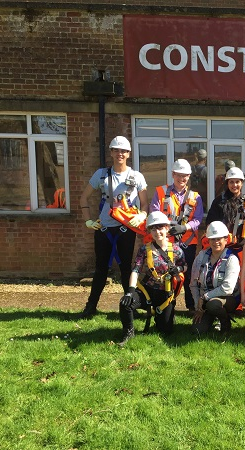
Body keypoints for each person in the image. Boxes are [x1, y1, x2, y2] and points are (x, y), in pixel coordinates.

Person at [79, 136, 148, 319]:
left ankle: (130, 307)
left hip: (126, 228)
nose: (120, 154)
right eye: (116, 150)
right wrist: (88, 221)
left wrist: (142, 215)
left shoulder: (137, 177)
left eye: (123, 151)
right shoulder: (101, 175)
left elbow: (144, 204)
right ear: (111, 152)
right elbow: (83, 198)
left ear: (129, 154)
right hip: (104, 228)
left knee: (127, 268)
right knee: (101, 269)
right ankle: (91, 306)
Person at [117, 211, 187, 346]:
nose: (157, 232)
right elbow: (136, 269)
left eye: (160, 227)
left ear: (167, 228)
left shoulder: (177, 250)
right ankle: (128, 333)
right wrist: (130, 290)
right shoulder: (144, 249)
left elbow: (185, 266)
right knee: (125, 303)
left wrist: (178, 269)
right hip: (147, 291)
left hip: (165, 295)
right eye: (153, 228)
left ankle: (165, 317)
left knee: (166, 330)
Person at [150, 159, 204, 313]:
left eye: (185, 176)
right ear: (173, 174)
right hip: (165, 241)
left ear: (189, 177)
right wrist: (168, 228)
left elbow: (198, 219)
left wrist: (184, 227)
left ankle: (191, 305)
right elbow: (154, 213)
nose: (182, 179)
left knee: (187, 275)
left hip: (187, 242)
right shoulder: (160, 192)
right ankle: (166, 304)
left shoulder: (196, 197)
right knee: (164, 273)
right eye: (179, 175)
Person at [190, 221, 241, 335]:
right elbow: (193, 284)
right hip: (205, 302)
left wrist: (204, 297)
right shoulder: (201, 256)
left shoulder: (231, 259)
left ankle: (225, 322)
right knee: (197, 330)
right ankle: (211, 317)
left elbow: (227, 288)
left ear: (226, 240)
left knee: (213, 304)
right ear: (208, 240)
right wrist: (198, 308)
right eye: (212, 239)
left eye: (219, 239)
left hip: (227, 299)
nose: (216, 242)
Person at [205, 166, 245, 251]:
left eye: (237, 182)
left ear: (242, 183)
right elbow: (210, 223)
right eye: (231, 182)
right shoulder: (218, 202)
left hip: (243, 249)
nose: (234, 185)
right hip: (222, 248)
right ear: (227, 183)